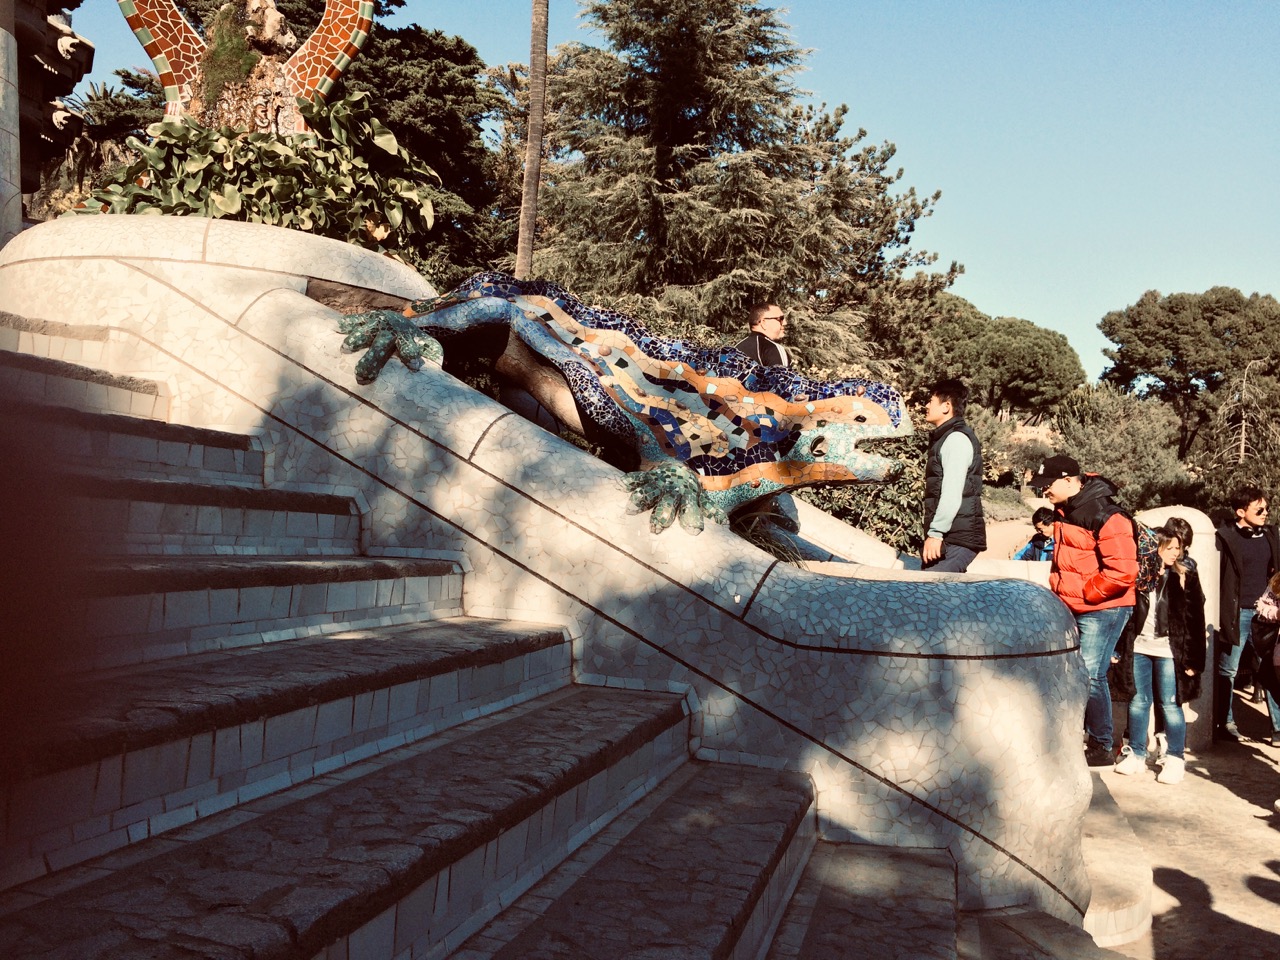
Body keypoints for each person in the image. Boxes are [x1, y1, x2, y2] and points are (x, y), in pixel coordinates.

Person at [1031, 454, 1138, 768]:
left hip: (1104, 607)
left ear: (1068, 480)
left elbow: (1122, 572)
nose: (1044, 491)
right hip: (1076, 603)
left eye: (1047, 485)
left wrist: (1086, 594)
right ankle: (1076, 737)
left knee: (1090, 673)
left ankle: (1102, 745)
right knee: (1072, 672)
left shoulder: (1106, 514)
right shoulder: (1065, 509)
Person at [1109, 527, 1206, 784]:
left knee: (1170, 704)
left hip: (1169, 651)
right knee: (1138, 702)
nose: (1176, 552)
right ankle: (1136, 754)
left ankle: (1175, 758)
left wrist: (1194, 659)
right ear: (1156, 548)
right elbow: (1126, 614)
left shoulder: (1185, 575)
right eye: (1170, 547)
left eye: (1178, 548)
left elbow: (1196, 619)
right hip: (1140, 647)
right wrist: (1117, 648)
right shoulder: (1140, 575)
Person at [1213, 485, 1280, 743]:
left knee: (1270, 669)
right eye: (1259, 510)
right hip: (1236, 613)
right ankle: (1225, 723)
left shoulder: (1271, 535)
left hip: (1265, 614)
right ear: (1241, 512)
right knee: (1228, 669)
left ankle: (1278, 728)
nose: (1265, 513)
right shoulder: (1224, 537)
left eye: (1266, 508)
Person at [920, 378, 986, 572]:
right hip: (953, 537)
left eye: (931, 401)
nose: (926, 406)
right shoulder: (946, 438)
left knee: (928, 588)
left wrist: (936, 533)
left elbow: (952, 492)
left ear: (946, 406)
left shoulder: (955, 439)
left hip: (957, 539)